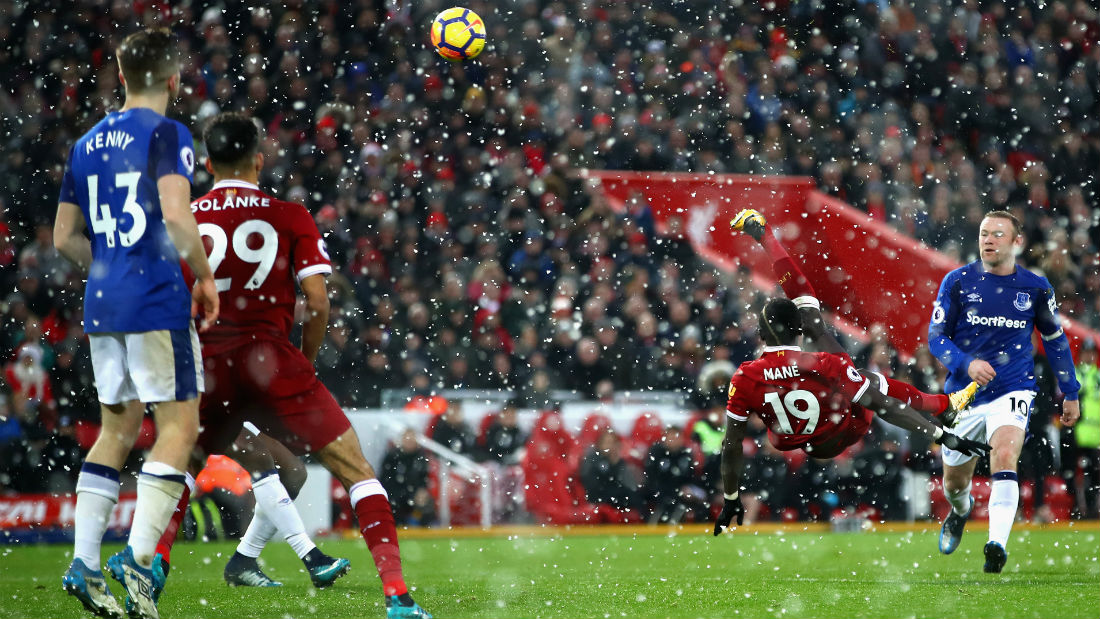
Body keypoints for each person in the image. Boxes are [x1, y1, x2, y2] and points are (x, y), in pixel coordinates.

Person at [184, 111, 430, 618]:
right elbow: (317, 302)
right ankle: (370, 583)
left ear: (207, 163)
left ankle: (227, 561)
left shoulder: (185, 218)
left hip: (206, 368)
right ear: (259, 159)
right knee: (346, 469)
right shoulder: (287, 215)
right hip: (265, 362)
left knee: (288, 472)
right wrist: (304, 363)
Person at [52, 28, 220, 619]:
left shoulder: (85, 144)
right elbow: (177, 217)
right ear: (173, 78)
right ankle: (139, 556)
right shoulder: (168, 133)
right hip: (153, 299)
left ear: (121, 76)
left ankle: (84, 562)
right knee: (179, 426)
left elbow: (63, 237)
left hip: (104, 303)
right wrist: (203, 275)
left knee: (116, 429)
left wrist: (106, 268)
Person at [714, 210, 990, 536]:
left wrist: (731, 496)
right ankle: (944, 406)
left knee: (818, 388)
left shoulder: (744, 376)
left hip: (795, 440)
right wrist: (940, 434)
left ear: (760, 336)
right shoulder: (825, 364)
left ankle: (764, 236)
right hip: (840, 432)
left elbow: (731, 445)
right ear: (797, 332)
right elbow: (881, 404)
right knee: (867, 380)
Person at [928, 210, 1081, 573]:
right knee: (954, 483)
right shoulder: (957, 282)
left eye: (997, 234)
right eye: (984, 233)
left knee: (1005, 455)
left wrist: (1070, 390)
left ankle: (996, 544)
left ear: (1017, 242)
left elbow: (1055, 341)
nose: (988, 240)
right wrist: (967, 364)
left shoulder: (1035, 288)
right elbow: (936, 338)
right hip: (963, 397)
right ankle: (960, 511)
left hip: (1013, 389)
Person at [1071, 340, 1098, 519]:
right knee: (1073, 472)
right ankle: (1076, 507)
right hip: (1076, 431)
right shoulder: (1075, 373)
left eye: (1091, 352)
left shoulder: (1097, 376)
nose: (1088, 356)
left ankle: (1090, 508)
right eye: (1086, 352)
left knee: (1094, 475)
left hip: (1095, 434)